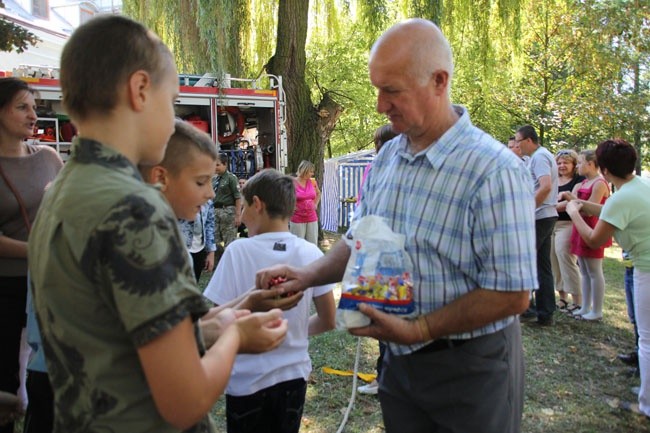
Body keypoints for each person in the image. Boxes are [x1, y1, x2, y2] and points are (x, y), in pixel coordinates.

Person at [256, 19, 537, 433]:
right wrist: (307, 274)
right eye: (377, 88)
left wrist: (419, 329)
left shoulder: (495, 171)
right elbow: (359, 238)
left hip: (470, 368)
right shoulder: (389, 158)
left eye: (392, 90)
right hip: (397, 361)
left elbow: (512, 293)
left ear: (439, 81)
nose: (379, 105)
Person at [27, 15, 287, 433]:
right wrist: (238, 338)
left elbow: (120, 343)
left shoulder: (60, 190)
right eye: (172, 102)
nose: (174, 121)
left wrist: (233, 316)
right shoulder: (134, 207)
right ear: (140, 89)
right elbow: (184, 401)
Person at [203, 169, 336, 433]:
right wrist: (292, 332)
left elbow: (218, 323)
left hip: (245, 380)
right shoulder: (310, 252)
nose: (241, 217)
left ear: (257, 204)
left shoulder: (237, 251)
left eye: (244, 207)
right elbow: (329, 319)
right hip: (293, 376)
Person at [564, 138, 650, 417]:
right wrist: (583, 204)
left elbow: (592, 237)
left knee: (646, 340)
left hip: (646, 270)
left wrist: (573, 212)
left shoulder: (621, 197)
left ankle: (646, 403)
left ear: (604, 169)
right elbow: (613, 215)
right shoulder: (639, 186)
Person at [0, 77, 63, 433]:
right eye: (22, 107)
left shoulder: (49, 157)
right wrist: (37, 249)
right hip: (6, 287)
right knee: (6, 379)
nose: (33, 115)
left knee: (44, 373)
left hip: (47, 284)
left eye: (34, 108)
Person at [357, 124, 398, 396]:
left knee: (388, 321)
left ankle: (386, 377)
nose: (376, 149)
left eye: (379, 143)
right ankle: (384, 375)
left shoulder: (395, 171)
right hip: (375, 250)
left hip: (389, 256)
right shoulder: (377, 169)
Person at [516, 124, 559, 326]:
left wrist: (527, 209)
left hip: (540, 216)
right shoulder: (538, 156)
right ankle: (544, 312)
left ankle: (527, 307)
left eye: (518, 141)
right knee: (542, 266)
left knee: (525, 262)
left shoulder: (540, 156)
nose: (517, 145)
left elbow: (546, 186)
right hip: (544, 216)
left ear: (529, 141)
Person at [564, 149, 610, 321]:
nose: (578, 166)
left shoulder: (599, 183)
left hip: (593, 228)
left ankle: (596, 310)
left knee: (594, 271)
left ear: (591, 164)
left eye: (581, 162)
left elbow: (590, 210)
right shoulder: (582, 183)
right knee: (583, 269)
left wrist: (572, 201)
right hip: (580, 227)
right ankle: (585, 306)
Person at [552, 149, 584, 312]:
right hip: (550, 224)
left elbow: (572, 202)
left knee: (565, 257)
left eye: (566, 162)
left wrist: (549, 207)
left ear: (573, 164)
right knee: (553, 260)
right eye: (559, 163)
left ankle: (578, 300)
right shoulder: (553, 179)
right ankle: (562, 298)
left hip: (567, 224)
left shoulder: (579, 180)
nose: (562, 166)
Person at [212, 153, 242, 258]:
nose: (215, 167)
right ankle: (217, 263)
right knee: (214, 240)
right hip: (215, 212)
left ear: (225, 164)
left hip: (228, 212)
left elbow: (238, 197)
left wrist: (238, 215)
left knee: (229, 241)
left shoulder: (231, 178)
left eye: (218, 165)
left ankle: (231, 262)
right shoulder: (214, 179)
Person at [178, 202, 216, 282]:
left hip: (199, 249)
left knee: (194, 283)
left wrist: (211, 252)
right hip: (180, 248)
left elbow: (210, 225)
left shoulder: (208, 201)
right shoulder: (179, 195)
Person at [289, 160, 320, 245]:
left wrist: (316, 204)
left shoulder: (313, 182)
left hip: (312, 217)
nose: (312, 174)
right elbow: (283, 195)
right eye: (311, 171)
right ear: (304, 170)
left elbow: (318, 193)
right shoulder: (292, 182)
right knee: (297, 245)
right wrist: (290, 206)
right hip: (297, 218)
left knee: (312, 244)